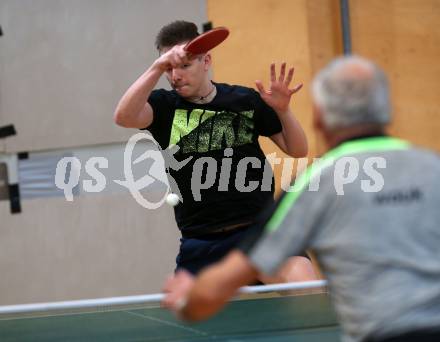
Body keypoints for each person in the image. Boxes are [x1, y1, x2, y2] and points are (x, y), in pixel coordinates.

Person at [162, 55, 440, 342]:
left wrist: (189, 299)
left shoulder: (315, 184)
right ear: (388, 112)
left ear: (319, 118)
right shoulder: (434, 168)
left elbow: (225, 282)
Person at [114, 20, 316, 279]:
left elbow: (297, 149)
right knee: (185, 316)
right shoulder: (163, 107)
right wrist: (156, 67)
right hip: (202, 243)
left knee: (306, 288)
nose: (176, 76)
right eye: (169, 68)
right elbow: (124, 117)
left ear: (206, 61)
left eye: (185, 66)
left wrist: (283, 110)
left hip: (261, 233)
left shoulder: (244, 101)